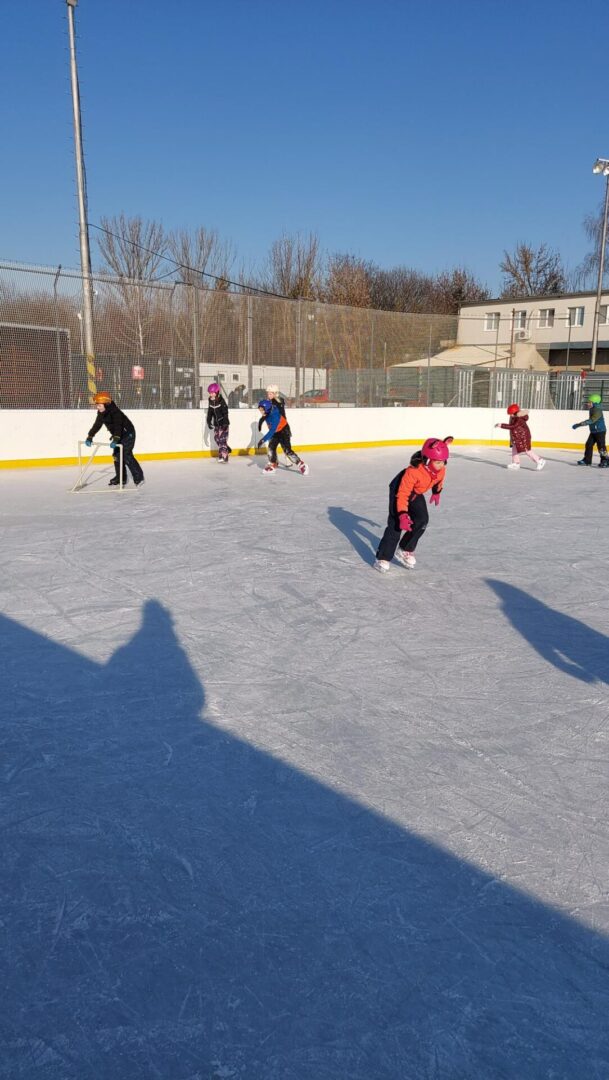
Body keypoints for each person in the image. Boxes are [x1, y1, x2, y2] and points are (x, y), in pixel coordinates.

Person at [374, 437, 452, 573]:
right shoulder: (413, 472)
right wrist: (403, 515)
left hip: (416, 492)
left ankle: (405, 548)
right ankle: (383, 558)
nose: (442, 465)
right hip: (399, 490)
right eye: (438, 462)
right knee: (396, 525)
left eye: (444, 461)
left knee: (422, 520)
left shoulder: (441, 469)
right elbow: (403, 494)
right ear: (427, 460)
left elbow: (439, 480)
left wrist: (436, 492)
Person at [85, 391, 144, 487]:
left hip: (127, 434)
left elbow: (118, 426)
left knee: (126, 455)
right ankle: (121, 478)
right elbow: (97, 425)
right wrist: (90, 436)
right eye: (97, 405)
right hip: (118, 435)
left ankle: (139, 478)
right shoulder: (101, 413)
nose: (97, 407)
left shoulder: (115, 412)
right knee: (116, 456)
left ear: (106, 404)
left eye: (99, 405)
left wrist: (116, 439)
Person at [257, 398, 309, 475]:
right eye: (260, 410)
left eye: (262, 410)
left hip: (283, 430)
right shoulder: (267, 412)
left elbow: (272, 431)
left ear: (267, 409)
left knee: (287, 450)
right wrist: (260, 422)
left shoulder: (275, 415)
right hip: (276, 432)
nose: (261, 412)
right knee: (271, 448)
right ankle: (272, 464)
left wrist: (263, 440)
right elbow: (264, 417)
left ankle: (301, 464)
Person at [495, 404, 546, 470]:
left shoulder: (519, 418)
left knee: (527, 451)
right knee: (514, 449)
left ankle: (540, 461)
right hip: (518, 437)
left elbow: (513, 426)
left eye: (511, 414)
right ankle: (516, 463)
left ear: (515, 412)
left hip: (523, 438)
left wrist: (501, 425)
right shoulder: (514, 417)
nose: (510, 415)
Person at [572, 392, 609, 467]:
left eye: (590, 402)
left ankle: (605, 460)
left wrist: (579, 424)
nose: (588, 404)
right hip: (593, 431)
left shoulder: (597, 410)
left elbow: (592, 420)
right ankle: (587, 460)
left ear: (594, 403)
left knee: (601, 447)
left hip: (600, 431)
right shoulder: (592, 409)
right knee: (588, 444)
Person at [206, 382, 231, 463]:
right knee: (217, 439)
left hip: (223, 423)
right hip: (216, 424)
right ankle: (226, 449)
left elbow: (225, 412)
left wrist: (225, 423)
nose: (211, 394)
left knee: (222, 440)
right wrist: (208, 421)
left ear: (216, 392)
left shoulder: (221, 401)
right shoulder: (210, 400)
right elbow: (210, 412)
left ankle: (224, 457)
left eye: (212, 393)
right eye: (210, 393)